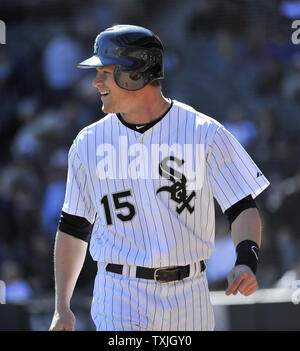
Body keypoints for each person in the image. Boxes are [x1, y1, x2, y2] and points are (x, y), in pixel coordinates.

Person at [49, 24, 270, 331]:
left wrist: (246, 259)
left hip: (190, 292)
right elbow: (74, 226)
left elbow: (241, 207)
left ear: (136, 74)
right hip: (120, 290)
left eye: (105, 71)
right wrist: (62, 306)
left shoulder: (203, 133)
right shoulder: (88, 143)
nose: (96, 81)